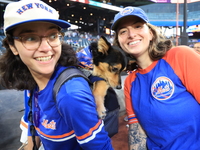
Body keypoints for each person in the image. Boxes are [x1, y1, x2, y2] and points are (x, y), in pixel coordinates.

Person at [0, 0, 113, 150]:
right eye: (31, 38)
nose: (46, 48)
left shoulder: (70, 95)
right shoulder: (30, 79)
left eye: (52, 35)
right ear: (12, 46)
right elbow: (32, 137)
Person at [111, 6, 200, 150]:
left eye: (138, 26)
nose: (131, 34)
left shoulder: (179, 56)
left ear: (151, 33)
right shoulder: (130, 82)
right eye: (123, 31)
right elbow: (136, 131)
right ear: (119, 42)